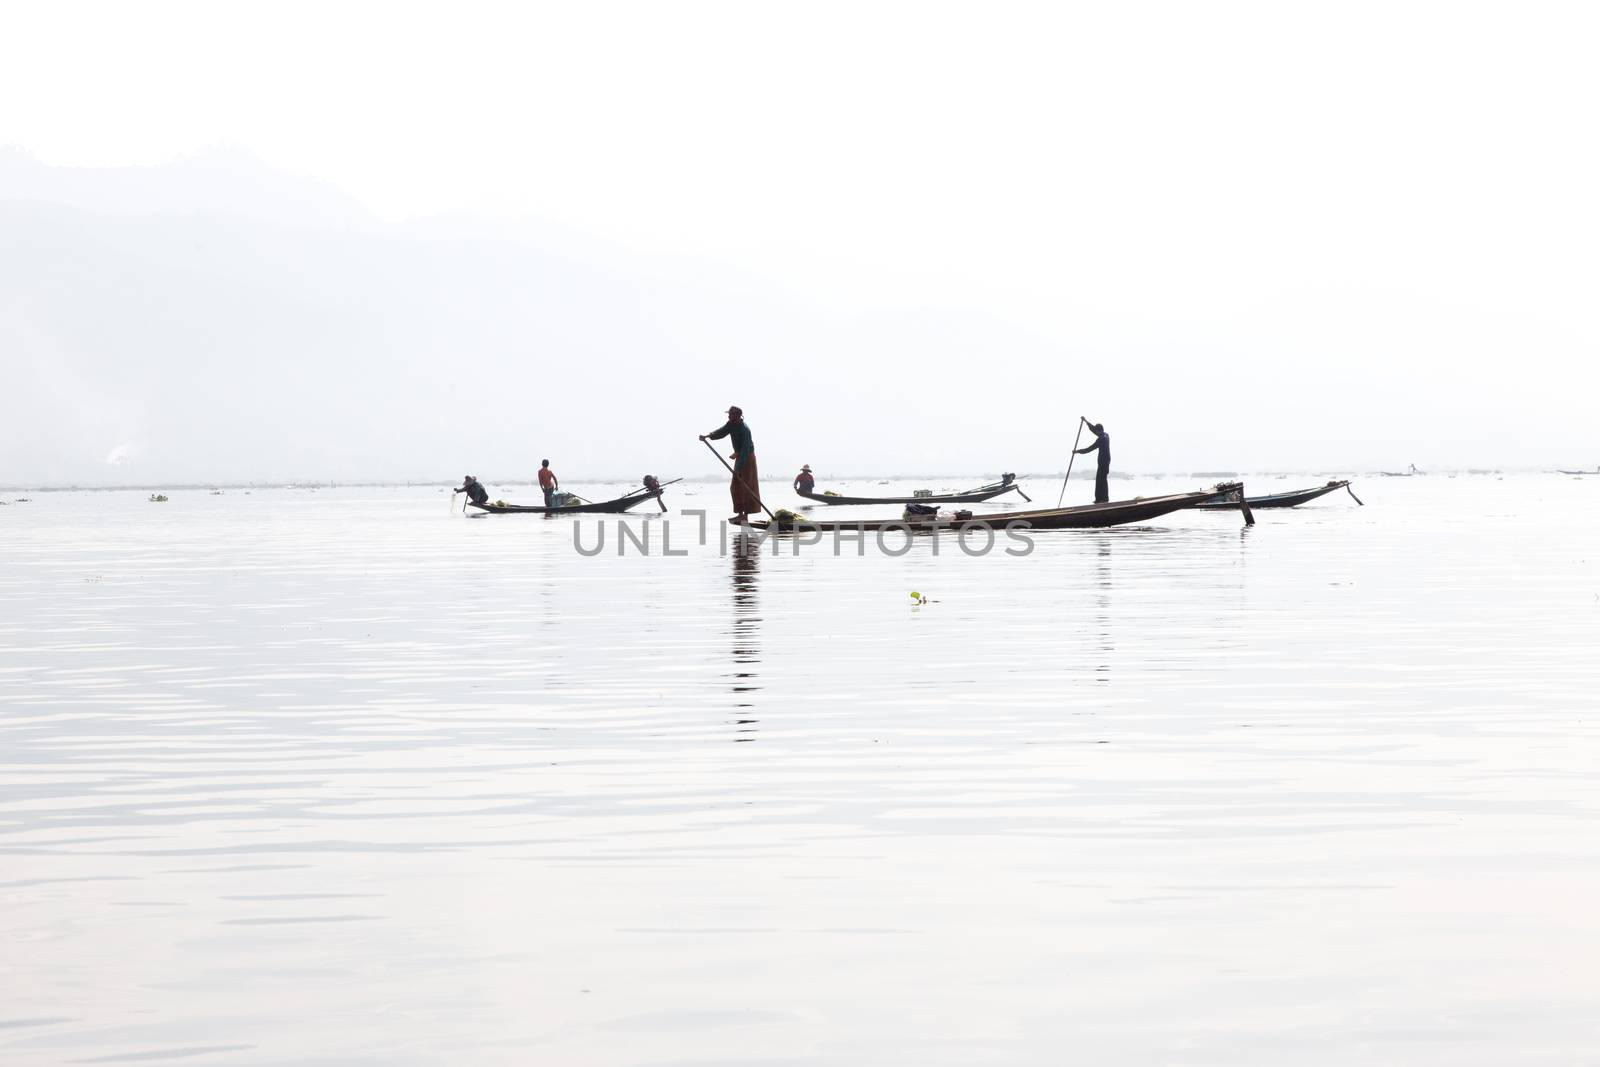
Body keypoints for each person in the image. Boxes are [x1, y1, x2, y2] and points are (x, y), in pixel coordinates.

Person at [700, 405, 761, 523]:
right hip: (740, 457)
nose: (729, 416)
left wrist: (738, 468)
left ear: (738, 416)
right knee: (735, 486)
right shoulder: (731, 424)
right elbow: (721, 432)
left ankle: (745, 515)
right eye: (729, 415)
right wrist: (707, 436)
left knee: (746, 486)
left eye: (731, 415)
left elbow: (744, 451)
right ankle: (740, 514)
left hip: (747, 458)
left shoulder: (744, 430)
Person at [1073, 419, 1112, 503]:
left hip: (1103, 462)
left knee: (1101, 479)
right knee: (1101, 479)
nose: (1096, 433)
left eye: (1096, 431)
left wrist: (1077, 451)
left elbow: (1089, 449)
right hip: (1106, 461)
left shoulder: (1101, 439)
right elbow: (1094, 430)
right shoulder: (1106, 435)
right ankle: (1102, 499)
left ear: (1099, 431)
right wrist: (1086, 422)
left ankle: (1102, 499)